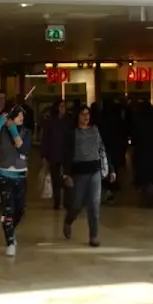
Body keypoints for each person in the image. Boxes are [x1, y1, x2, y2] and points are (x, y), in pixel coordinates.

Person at [63, 106, 114, 247]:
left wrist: (111, 169)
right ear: (77, 116)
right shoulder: (72, 133)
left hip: (95, 171)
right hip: (79, 172)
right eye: (83, 114)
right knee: (77, 203)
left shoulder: (95, 130)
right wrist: (66, 174)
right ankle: (68, 220)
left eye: (88, 114)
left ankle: (94, 236)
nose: (86, 117)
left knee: (94, 204)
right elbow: (67, 154)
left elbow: (102, 149)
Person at [0, 104, 32, 257]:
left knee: (20, 209)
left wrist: (13, 129)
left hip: (20, 175)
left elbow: (22, 148)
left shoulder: (26, 132)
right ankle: (10, 241)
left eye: (22, 116)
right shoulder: (1, 132)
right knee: (8, 209)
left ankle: (10, 230)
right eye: (18, 115)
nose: (21, 118)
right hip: (4, 173)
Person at [131, 99, 153, 207]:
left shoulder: (137, 122)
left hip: (141, 150)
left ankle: (142, 188)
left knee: (141, 171)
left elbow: (134, 137)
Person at [41, 99, 71, 210]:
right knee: (55, 179)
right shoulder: (50, 122)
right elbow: (46, 139)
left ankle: (67, 201)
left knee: (67, 177)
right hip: (54, 154)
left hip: (67, 154)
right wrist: (44, 155)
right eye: (61, 106)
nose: (63, 108)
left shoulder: (69, 121)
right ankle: (57, 201)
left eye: (64, 106)